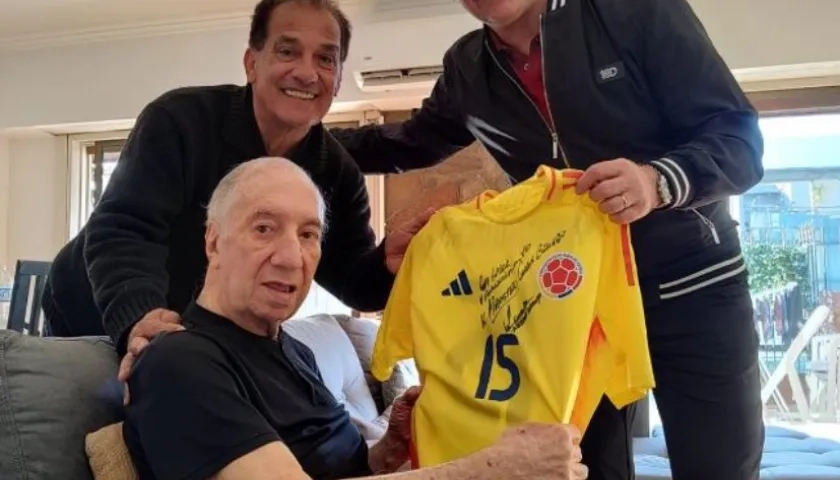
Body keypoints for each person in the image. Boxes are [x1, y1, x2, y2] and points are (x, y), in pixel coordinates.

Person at [331, 0, 765, 479]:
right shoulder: (466, 68)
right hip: (567, 311)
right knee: (578, 468)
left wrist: (655, 181)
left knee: (720, 465)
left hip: (692, 288)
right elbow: (407, 143)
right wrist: (299, 139)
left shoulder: (635, 12)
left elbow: (739, 140)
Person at [123, 156, 589, 480]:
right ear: (213, 242)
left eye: (308, 234)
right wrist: (496, 470)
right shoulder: (180, 362)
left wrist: (387, 449)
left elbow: (334, 468)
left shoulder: (293, 349)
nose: (291, 257)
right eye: (264, 228)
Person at [41, 0, 417, 372]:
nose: (307, 73)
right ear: (252, 63)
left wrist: (387, 265)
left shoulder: (337, 171)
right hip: (92, 306)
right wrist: (141, 316)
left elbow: (351, 277)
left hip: (193, 336)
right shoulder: (179, 121)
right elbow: (124, 229)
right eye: (288, 51)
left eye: (325, 59)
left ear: (336, 80)